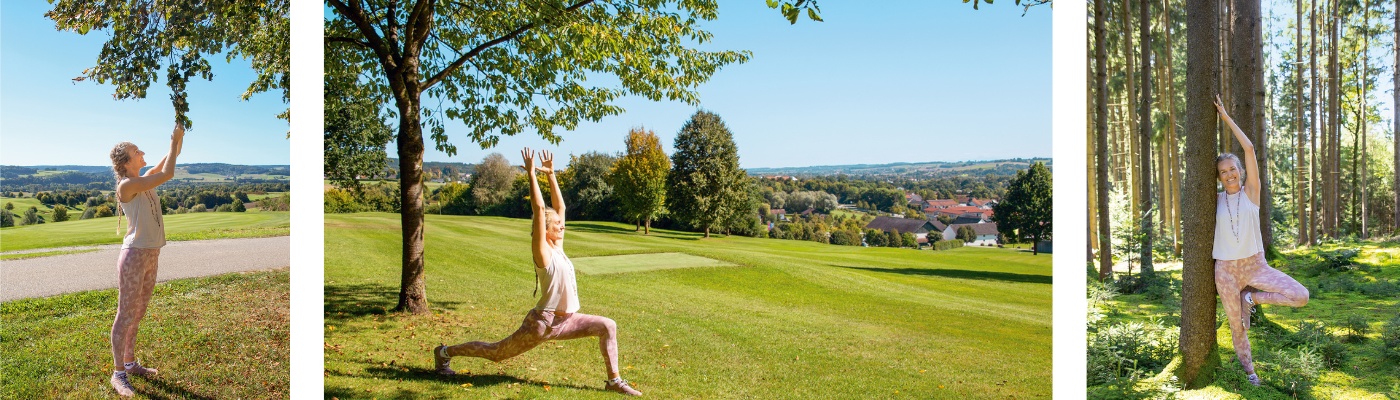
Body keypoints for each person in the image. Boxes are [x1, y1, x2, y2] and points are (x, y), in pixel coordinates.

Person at [432, 148, 642, 396]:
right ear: (545, 230)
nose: (562, 226)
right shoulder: (543, 252)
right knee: (497, 353)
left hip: (568, 320)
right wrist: (532, 174)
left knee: (608, 325)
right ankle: (444, 352)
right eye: (556, 225)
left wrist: (552, 175)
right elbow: (541, 210)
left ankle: (613, 381)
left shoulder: (559, 248)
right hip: (542, 323)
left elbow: (560, 208)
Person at [1212, 94, 1309, 386]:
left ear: (1240, 172)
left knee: (1300, 296)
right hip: (1226, 271)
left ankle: (1250, 298)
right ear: (1219, 177)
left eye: (1232, 169)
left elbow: (1250, 149)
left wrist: (1226, 118)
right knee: (1236, 325)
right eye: (1223, 172)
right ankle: (1250, 373)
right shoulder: (1214, 200)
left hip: (1255, 266)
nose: (1229, 174)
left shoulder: (1251, 194)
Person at [108, 123, 184, 397]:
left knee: (138, 313)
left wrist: (177, 140)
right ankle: (118, 375)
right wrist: (174, 142)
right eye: (136, 151)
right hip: (134, 256)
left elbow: (167, 161)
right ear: (126, 162)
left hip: (152, 253)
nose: (142, 153)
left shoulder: (144, 178)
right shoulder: (127, 185)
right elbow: (169, 172)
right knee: (125, 314)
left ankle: (130, 363)